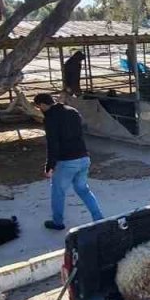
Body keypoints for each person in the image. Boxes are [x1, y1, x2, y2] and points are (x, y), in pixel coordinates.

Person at [34, 92, 103, 231]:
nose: (39, 110)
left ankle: (57, 222)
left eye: (38, 107)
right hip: (83, 157)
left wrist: (50, 166)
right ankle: (99, 218)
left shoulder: (50, 118)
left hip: (66, 161)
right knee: (83, 190)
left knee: (58, 192)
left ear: (42, 105)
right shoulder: (72, 111)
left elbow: (53, 143)